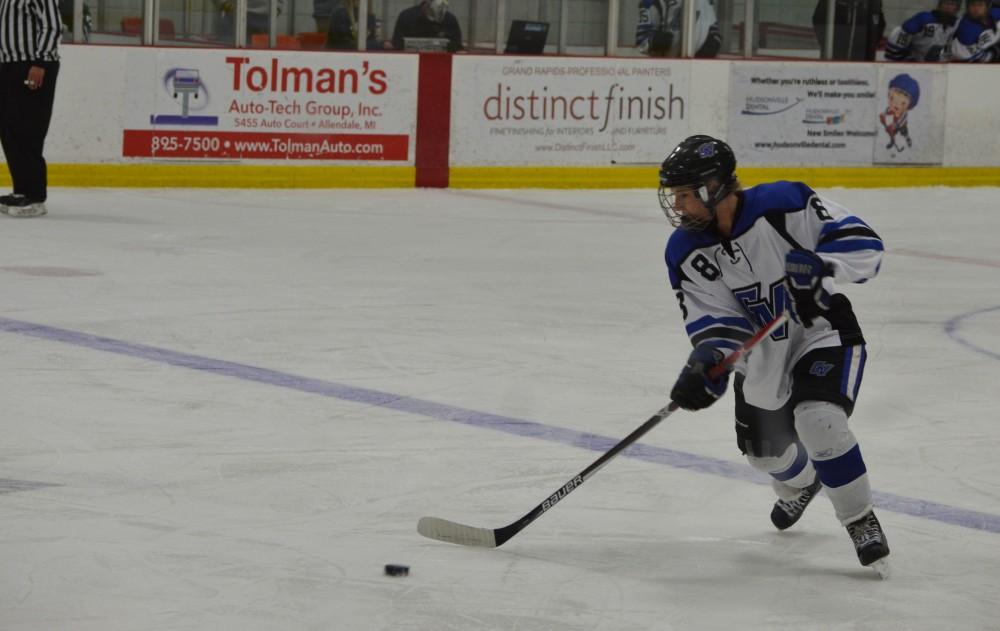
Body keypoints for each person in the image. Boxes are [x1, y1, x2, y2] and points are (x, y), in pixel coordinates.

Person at [660, 135, 890, 574]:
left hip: (819, 331)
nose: (679, 205)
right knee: (765, 455)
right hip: (762, 355)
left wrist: (821, 266)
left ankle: (860, 519)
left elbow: (864, 243)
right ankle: (803, 483)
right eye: (676, 196)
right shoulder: (684, 251)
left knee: (818, 418)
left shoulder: (786, 202)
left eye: (686, 195)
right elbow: (715, 319)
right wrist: (707, 361)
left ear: (713, 187)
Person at [0, 0, 61, 218]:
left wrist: (41, 62)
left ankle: (35, 196)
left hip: (32, 65)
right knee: (9, 129)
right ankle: (21, 190)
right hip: (8, 65)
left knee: (29, 128)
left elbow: (52, 25)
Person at [635, 0, 721, 58]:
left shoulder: (703, 2)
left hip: (699, 69)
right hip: (666, 69)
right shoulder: (651, 2)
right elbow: (642, 41)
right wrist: (655, 41)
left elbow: (714, 33)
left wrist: (712, 43)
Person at [884, 0, 959, 61]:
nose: (948, 7)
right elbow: (895, 45)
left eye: (952, 4)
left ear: (956, 8)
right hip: (915, 65)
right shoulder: (924, 19)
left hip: (939, 68)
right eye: (945, 3)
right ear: (939, 5)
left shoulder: (957, 25)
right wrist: (909, 61)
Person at [812, 0, 886, 60]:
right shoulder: (832, 2)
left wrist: (870, 46)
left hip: (864, 60)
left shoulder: (874, 2)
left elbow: (879, 24)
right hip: (835, 58)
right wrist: (830, 45)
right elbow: (818, 20)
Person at [391, 0, 463, 52]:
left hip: (441, 62)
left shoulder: (449, 19)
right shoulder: (407, 16)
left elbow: (457, 46)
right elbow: (397, 43)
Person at [327, 0, 391, 49]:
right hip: (339, 57)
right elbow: (342, 43)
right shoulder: (339, 14)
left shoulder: (370, 16)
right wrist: (379, 45)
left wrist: (382, 44)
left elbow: (371, 39)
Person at [878, 74, 919, 151]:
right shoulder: (889, 110)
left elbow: (902, 120)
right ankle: (892, 141)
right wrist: (883, 116)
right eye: (892, 99)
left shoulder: (903, 114)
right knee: (891, 134)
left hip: (900, 125)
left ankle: (907, 138)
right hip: (892, 125)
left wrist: (896, 125)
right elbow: (886, 112)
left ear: (909, 106)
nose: (896, 105)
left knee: (903, 132)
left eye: (902, 103)